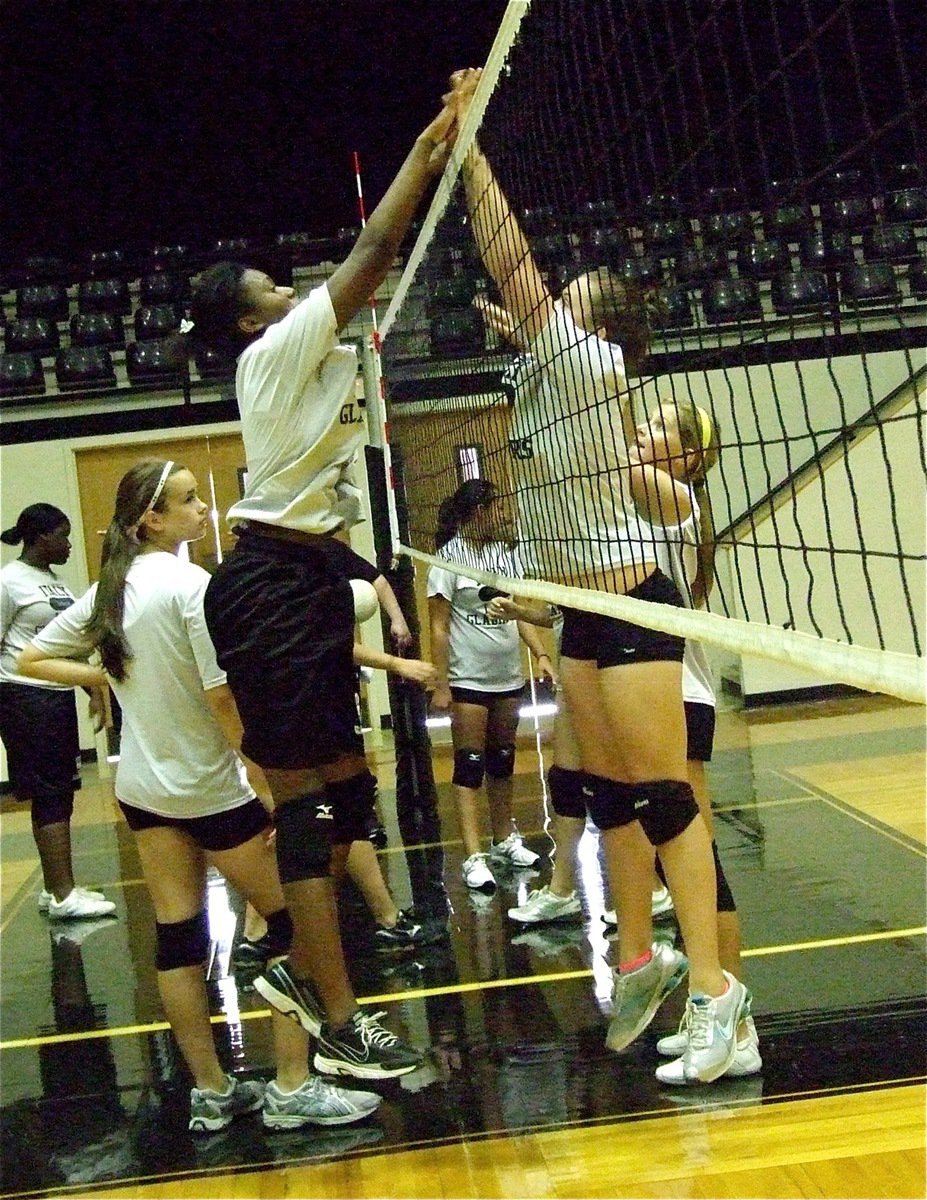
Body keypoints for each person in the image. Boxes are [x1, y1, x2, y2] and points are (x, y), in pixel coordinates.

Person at [456, 66, 749, 1084]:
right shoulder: (561, 372)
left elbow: (514, 269)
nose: (554, 305)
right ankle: (644, 960)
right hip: (582, 609)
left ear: (600, 328)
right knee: (610, 800)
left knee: (669, 798)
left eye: (572, 305)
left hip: (631, 605)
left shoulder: (590, 364)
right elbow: (522, 317)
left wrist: (470, 154)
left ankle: (721, 999)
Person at [183, 83, 465, 1079]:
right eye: (268, 281)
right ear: (247, 309)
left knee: (352, 797)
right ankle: (332, 1014)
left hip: (299, 580)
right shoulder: (275, 346)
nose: (284, 285)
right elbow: (370, 255)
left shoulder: (293, 354)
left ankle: (299, 963)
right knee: (301, 806)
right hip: (269, 585)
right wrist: (431, 146)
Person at [18, 460, 382, 1132]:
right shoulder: (193, 588)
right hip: (208, 790)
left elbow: (28, 660)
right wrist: (265, 780)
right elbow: (221, 701)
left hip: (143, 790)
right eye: (188, 501)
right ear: (150, 519)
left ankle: (212, 1093)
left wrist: (100, 681)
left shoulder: (109, 589)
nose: (203, 510)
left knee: (178, 938)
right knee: (290, 926)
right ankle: (291, 1086)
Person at [625, 400, 761, 1083]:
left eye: (655, 426)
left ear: (686, 456)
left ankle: (733, 1022)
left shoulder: (675, 502)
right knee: (675, 861)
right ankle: (716, 1012)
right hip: (652, 691)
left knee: (696, 853)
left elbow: (600, 461)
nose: (639, 429)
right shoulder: (637, 509)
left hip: (680, 693)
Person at [427, 478, 555, 893]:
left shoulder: (504, 556)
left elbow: (518, 614)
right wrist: (442, 684)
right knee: (469, 765)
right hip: (468, 680)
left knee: (502, 760)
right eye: (496, 507)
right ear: (477, 512)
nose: (503, 514)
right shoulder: (448, 560)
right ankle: (472, 855)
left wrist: (541, 654)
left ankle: (504, 839)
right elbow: (439, 627)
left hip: (507, 678)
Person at [0, 504, 115, 920]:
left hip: (53, 696)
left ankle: (54, 889)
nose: (68, 544)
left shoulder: (53, 582)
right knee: (50, 794)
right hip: (24, 697)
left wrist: (92, 689)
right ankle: (66, 895)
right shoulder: (9, 582)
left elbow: (65, 644)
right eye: (62, 536)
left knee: (59, 793)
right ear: (39, 538)